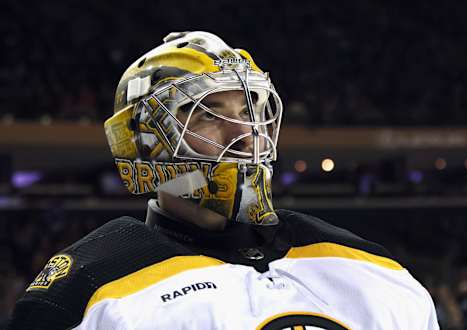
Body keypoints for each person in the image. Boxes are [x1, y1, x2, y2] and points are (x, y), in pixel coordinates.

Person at [7, 31, 439, 330]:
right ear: (144, 139)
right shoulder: (89, 290)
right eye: (207, 114)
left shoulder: (375, 271)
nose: (245, 133)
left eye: (250, 109)